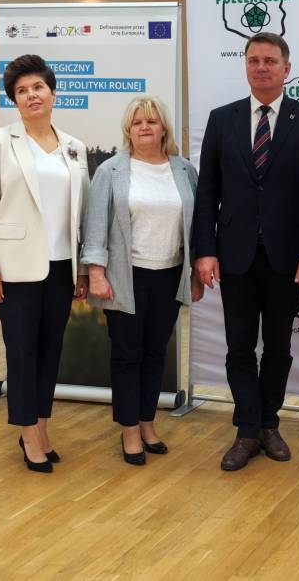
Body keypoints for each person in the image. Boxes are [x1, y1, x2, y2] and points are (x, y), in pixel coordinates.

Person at [192, 32, 299, 471]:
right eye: (253, 60)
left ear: (286, 69)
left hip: (288, 258)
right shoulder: (223, 119)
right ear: (245, 66)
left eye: (270, 60)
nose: (261, 67)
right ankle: (246, 429)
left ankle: (269, 423)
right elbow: (207, 191)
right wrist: (204, 251)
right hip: (234, 255)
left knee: (278, 346)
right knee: (238, 347)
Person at [0, 54, 89, 473]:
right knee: (22, 352)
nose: (31, 95)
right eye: (21, 91)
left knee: (50, 351)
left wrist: (81, 269)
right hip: (15, 268)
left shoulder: (75, 147)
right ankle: (28, 435)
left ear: (53, 93)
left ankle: (40, 426)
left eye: (38, 87)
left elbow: (81, 213)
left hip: (61, 266)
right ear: (15, 100)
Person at [81, 95, 202, 466]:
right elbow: (95, 226)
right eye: (137, 122)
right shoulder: (111, 171)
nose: (145, 127)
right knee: (127, 355)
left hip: (170, 275)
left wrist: (195, 273)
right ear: (128, 130)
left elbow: (196, 228)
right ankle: (129, 430)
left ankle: (148, 422)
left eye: (152, 121)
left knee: (155, 353)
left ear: (164, 127)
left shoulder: (184, 170)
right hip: (125, 277)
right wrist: (96, 274)